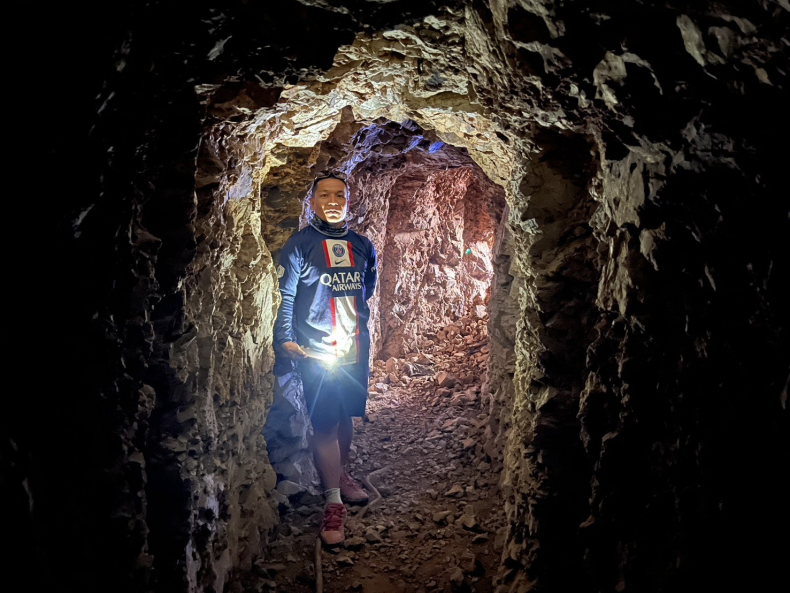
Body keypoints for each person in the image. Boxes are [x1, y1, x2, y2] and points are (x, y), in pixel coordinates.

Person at [273, 173, 377, 546]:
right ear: (312, 201)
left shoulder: (363, 245)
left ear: (348, 200)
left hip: (354, 351)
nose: (332, 201)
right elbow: (287, 296)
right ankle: (333, 503)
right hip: (317, 354)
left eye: (339, 195)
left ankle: (340, 474)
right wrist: (285, 338)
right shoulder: (300, 245)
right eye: (324, 195)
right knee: (326, 424)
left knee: (345, 415)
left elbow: (366, 291)